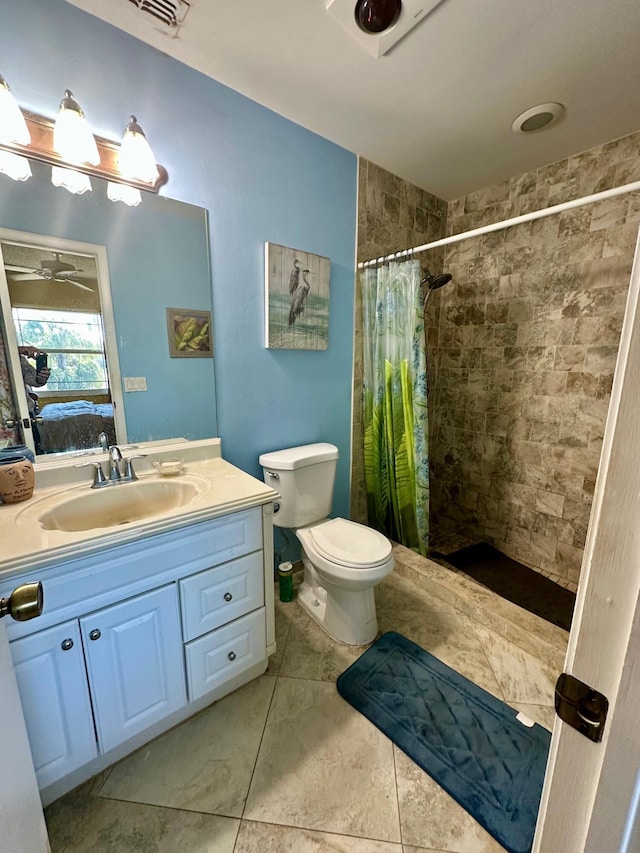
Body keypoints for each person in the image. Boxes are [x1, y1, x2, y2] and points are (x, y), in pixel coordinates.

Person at [18, 345, 51, 453]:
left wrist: (41, 379)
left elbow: (33, 380)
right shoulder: (12, 351)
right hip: (12, 414)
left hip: (25, 411)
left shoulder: (16, 357)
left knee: (33, 450)